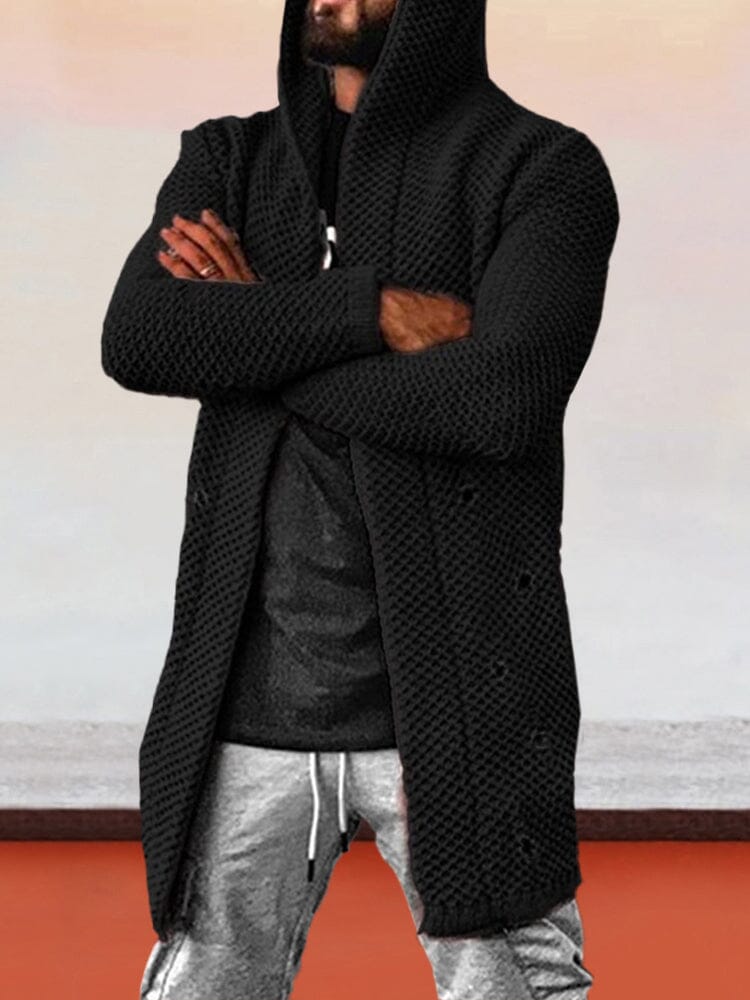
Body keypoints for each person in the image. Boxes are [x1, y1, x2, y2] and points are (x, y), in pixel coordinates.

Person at [101, 1, 620, 997]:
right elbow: (141, 337)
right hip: (245, 710)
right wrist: (366, 312)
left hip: (455, 706)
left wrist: (256, 332)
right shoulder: (230, 160)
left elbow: (500, 402)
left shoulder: (540, 170)